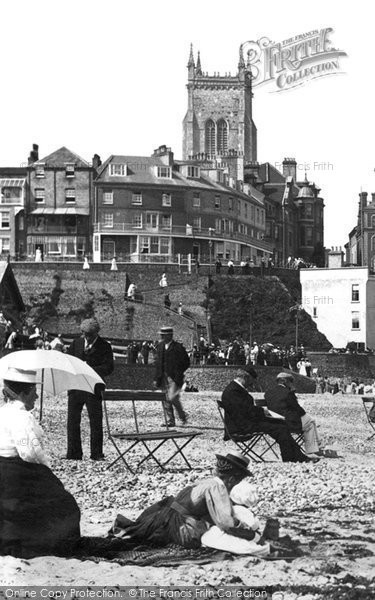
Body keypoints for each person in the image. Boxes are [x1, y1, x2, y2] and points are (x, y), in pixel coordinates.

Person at [0, 367, 80, 558]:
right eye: (33, 391)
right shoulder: (21, 417)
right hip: (16, 472)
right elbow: (29, 453)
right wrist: (47, 469)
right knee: (65, 503)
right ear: (23, 393)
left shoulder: (3, 412)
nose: (36, 396)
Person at [109, 452, 254, 549]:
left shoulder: (204, 482)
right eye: (237, 481)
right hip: (179, 529)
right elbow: (225, 523)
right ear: (231, 479)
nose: (234, 485)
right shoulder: (218, 487)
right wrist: (246, 528)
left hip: (160, 519)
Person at [221, 367, 318, 463]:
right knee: (280, 428)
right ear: (246, 377)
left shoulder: (234, 389)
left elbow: (244, 410)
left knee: (281, 425)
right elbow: (243, 411)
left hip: (244, 423)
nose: (252, 384)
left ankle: (294, 456)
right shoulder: (233, 391)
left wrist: (263, 413)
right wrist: (263, 412)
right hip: (241, 427)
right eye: (251, 381)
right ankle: (293, 458)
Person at [66, 318, 114, 460]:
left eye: (90, 334)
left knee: (95, 421)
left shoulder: (105, 346)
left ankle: (96, 453)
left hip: (94, 388)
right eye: (85, 334)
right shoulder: (76, 343)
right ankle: (74, 453)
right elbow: (68, 361)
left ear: (96, 333)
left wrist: (90, 369)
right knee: (72, 421)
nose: (87, 337)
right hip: (75, 387)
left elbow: (109, 367)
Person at [201, 479, 270, 556]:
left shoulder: (227, 509)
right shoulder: (243, 511)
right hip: (225, 537)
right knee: (259, 548)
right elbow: (244, 531)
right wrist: (258, 538)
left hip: (209, 537)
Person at [264, 372, 324, 457]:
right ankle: (312, 450)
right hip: (288, 423)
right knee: (310, 423)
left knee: (310, 421)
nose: (291, 383)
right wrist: (294, 396)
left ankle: (318, 446)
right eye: (290, 381)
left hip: (273, 422)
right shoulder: (288, 393)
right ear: (284, 381)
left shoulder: (268, 392)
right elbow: (299, 410)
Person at [154, 326, 190, 427]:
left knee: (172, 397)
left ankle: (182, 416)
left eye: (163, 335)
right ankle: (170, 420)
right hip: (163, 376)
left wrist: (179, 372)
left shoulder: (178, 347)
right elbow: (158, 363)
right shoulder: (160, 346)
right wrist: (156, 377)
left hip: (175, 377)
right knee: (165, 398)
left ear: (169, 335)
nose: (161, 337)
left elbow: (186, 362)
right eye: (161, 335)